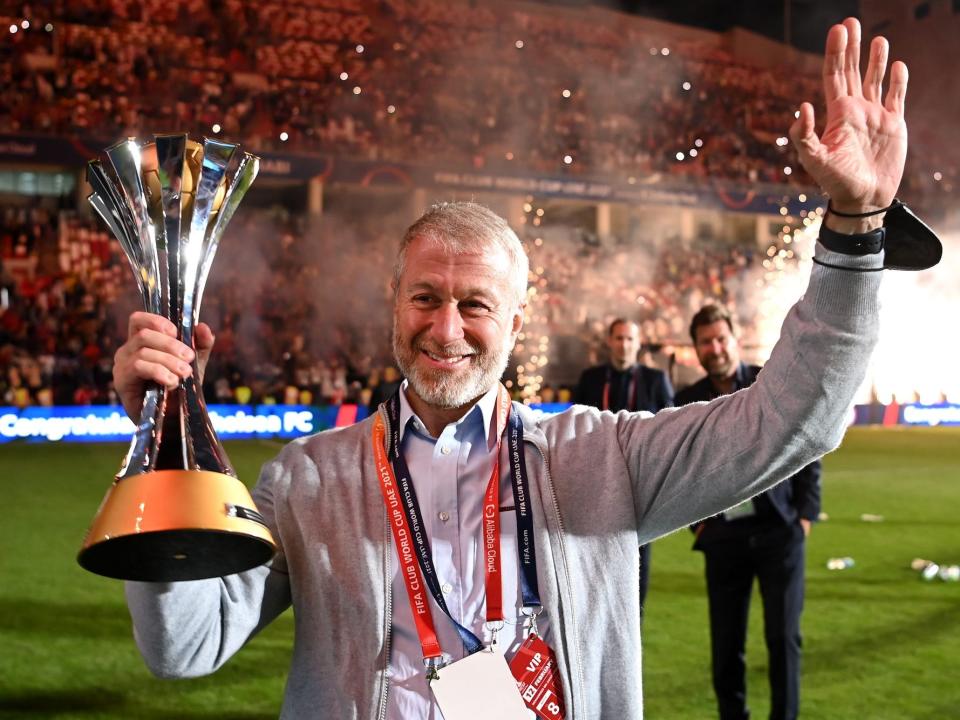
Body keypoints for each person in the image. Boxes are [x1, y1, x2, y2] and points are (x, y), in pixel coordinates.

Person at [113, 19, 908, 719]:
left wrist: (856, 227)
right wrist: (163, 438)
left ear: (518, 322)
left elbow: (792, 417)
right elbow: (186, 646)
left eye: (477, 305)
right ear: (394, 302)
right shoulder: (306, 482)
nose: (446, 327)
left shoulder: (603, 458)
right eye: (425, 296)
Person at [676, 303, 821, 720]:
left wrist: (805, 515)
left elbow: (807, 441)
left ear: (735, 339)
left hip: (779, 531)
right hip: (723, 540)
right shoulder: (686, 401)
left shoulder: (768, 382)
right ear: (696, 350)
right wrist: (698, 526)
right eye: (706, 342)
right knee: (726, 645)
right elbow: (677, 471)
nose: (716, 347)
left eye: (721, 338)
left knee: (783, 639)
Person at [574, 318, 674, 618]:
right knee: (595, 575)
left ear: (638, 343)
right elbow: (575, 430)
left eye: (630, 339)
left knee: (636, 576)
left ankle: (632, 642)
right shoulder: (591, 379)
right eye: (618, 338)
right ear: (609, 342)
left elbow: (667, 432)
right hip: (597, 485)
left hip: (639, 488)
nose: (624, 345)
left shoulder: (656, 380)